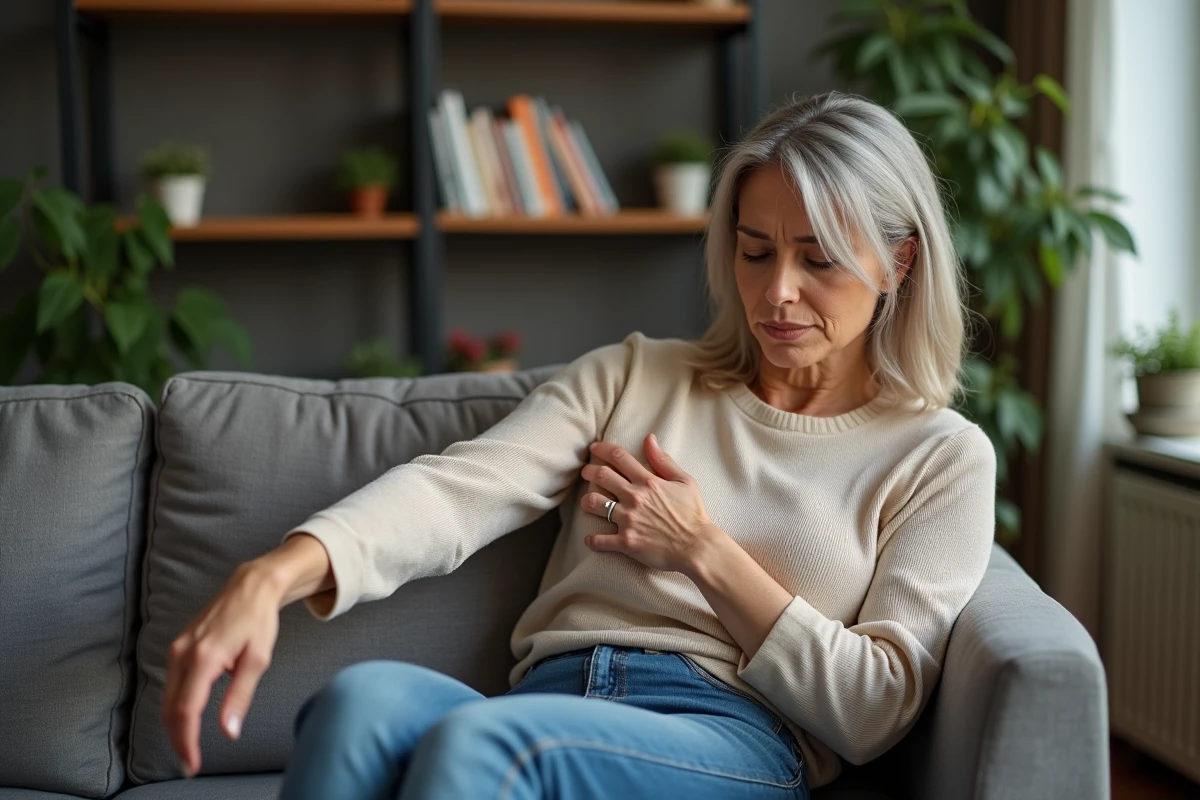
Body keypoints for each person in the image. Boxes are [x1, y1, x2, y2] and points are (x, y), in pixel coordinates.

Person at [162, 91, 996, 799]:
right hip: (552, 693)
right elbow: (459, 491)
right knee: (356, 705)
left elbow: (877, 707)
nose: (777, 291)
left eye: (819, 260)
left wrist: (702, 549)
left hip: (728, 734)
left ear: (898, 261)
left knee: (489, 750)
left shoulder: (938, 457)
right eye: (755, 251)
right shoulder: (635, 376)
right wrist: (269, 575)